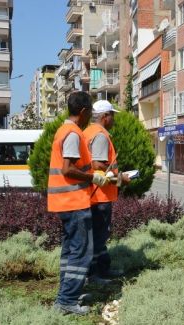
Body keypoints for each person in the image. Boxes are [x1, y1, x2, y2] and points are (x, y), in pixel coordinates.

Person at [48, 91, 109, 316]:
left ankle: (66, 295)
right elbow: (68, 169)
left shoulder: (65, 131)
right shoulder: (72, 133)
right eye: (89, 113)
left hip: (65, 201)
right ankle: (67, 300)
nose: (90, 117)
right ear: (82, 112)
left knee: (70, 252)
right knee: (81, 251)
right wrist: (93, 177)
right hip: (73, 201)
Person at [83, 100, 130, 285]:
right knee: (98, 236)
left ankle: (103, 268)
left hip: (93, 194)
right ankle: (95, 276)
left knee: (98, 237)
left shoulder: (88, 132)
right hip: (100, 195)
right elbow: (98, 165)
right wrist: (121, 177)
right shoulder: (100, 135)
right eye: (112, 114)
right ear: (104, 117)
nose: (114, 118)